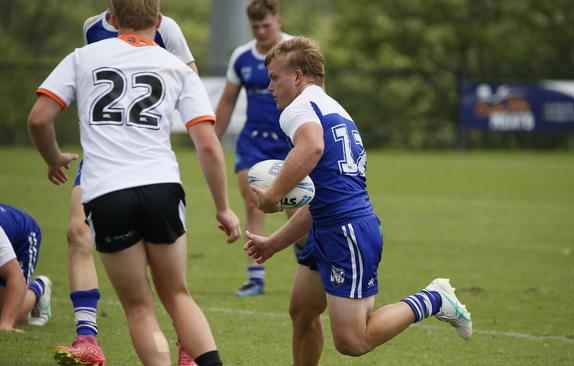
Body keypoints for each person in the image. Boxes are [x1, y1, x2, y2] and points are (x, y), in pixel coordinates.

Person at [28, 0, 240, 365]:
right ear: (158, 21)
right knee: (177, 295)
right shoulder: (176, 66)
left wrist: (54, 159)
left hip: (106, 193)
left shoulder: (83, 57)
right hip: (161, 188)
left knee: (140, 308)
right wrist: (222, 207)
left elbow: (38, 120)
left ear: (111, 18)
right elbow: (207, 142)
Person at [244, 37, 473, 365]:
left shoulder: (298, 109)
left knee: (353, 341)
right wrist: (273, 244)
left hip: (346, 232)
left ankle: (434, 299)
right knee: (303, 311)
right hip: (331, 225)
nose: (269, 87)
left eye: (275, 77)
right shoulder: (332, 108)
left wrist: (272, 196)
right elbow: (319, 200)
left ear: (298, 76)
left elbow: (310, 148)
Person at [53, 2, 200, 365]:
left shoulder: (166, 27)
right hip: (102, 155)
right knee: (76, 232)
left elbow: (189, 78)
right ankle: (87, 338)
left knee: (163, 269)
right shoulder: (91, 27)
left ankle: (188, 346)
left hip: (146, 159)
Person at [214, 0, 301, 297]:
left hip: (289, 141)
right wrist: (213, 139)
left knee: (295, 208)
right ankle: (255, 276)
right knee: (254, 203)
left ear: (278, 20)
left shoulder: (296, 50)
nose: (262, 31)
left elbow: (316, 92)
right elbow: (227, 101)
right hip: (253, 143)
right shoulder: (241, 57)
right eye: (256, 27)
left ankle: (308, 261)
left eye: (267, 24)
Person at [0, 204, 52, 332]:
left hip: (23, 237)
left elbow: (15, 277)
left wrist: (5, 324)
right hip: (8, 229)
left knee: (8, 311)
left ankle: (39, 288)